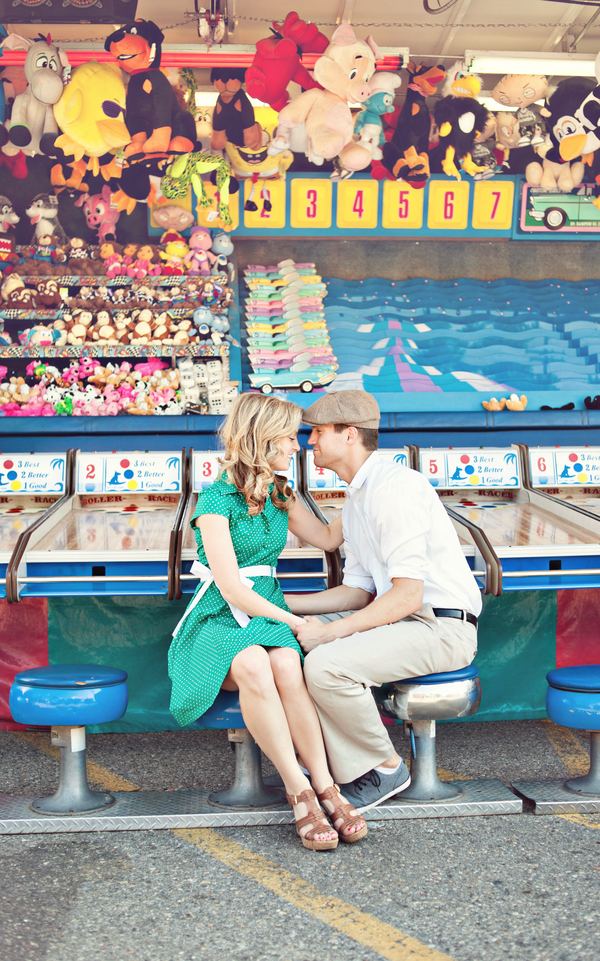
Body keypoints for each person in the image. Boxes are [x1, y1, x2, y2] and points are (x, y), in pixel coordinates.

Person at [168, 392, 367, 850]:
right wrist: (294, 622)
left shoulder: (280, 493)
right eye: (290, 437)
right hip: (219, 617)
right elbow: (233, 590)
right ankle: (300, 793)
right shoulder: (215, 501)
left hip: (267, 611)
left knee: (286, 664)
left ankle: (325, 785)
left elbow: (327, 537)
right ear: (263, 438)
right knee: (257, 663)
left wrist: (361, 489)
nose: (298, 445)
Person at [285, 389, 481, 813]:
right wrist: (285, 607)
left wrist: (331, 633)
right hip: (406, 621)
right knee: (288, 641)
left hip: (440, 627)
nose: (309, 441)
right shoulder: (359, 495)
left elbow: (408, 595)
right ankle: (334, 765)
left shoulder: (394, 489)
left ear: (349, 435)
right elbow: (357, 592)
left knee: (326, 665)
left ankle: (384, 767)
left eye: (318, 431)